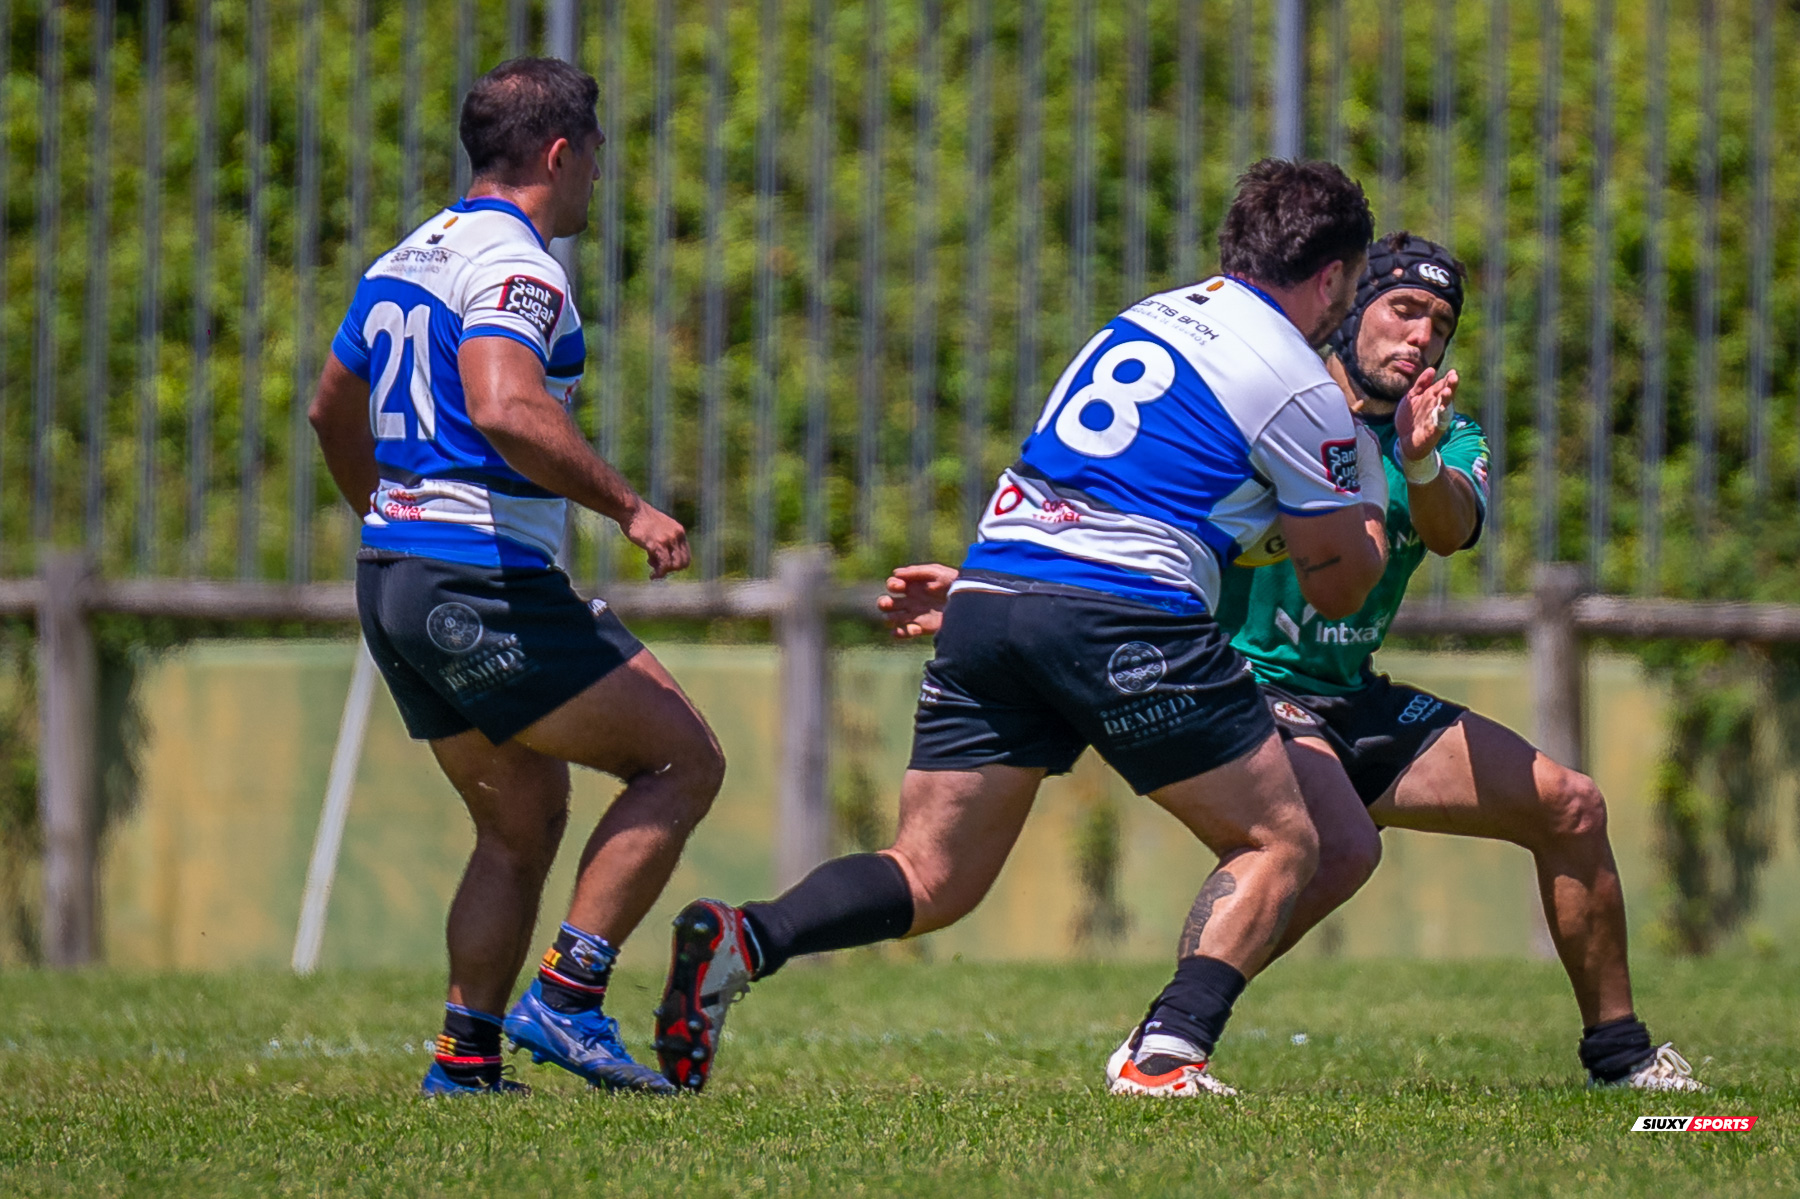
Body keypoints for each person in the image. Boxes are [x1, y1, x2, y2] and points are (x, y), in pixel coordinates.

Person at [879, 232, 1707, 1093]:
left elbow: (1452, 528)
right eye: (1403, 310)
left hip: (1348, 694)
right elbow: (1125, 506)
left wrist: (1419, 462)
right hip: (1239, 682)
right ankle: (1168, 1041)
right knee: (1340, 847)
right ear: (1350, 308)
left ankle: (1622, 1059)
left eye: (1440, 323)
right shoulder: (1271, 401)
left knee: (1571, 805)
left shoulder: (1444, 437)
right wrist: (991, 583)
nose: (1420, 336)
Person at [654, 158, 1395, 1099]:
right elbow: (1338, 591)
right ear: (1332, 277)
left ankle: (747, 936)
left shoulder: (1147, 317)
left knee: (930, 874)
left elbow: (1110, 485)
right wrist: (1367, 500)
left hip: (996, 590)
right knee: (1285, 842)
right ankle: (1165, 1056)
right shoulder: (1300, 386)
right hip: (1122, 611)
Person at [308, 57, 724, 1097]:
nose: (597, 179)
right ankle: (570, 996)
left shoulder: (409, 254)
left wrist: (386, 513)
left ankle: (463, 1060)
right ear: (559, 153)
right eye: (595, 158)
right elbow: (503, 401)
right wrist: (630, 505)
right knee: (682, 760)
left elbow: (330, 408)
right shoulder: (519, 265)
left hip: (395, 575)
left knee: (521, 813)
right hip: (474, 575)